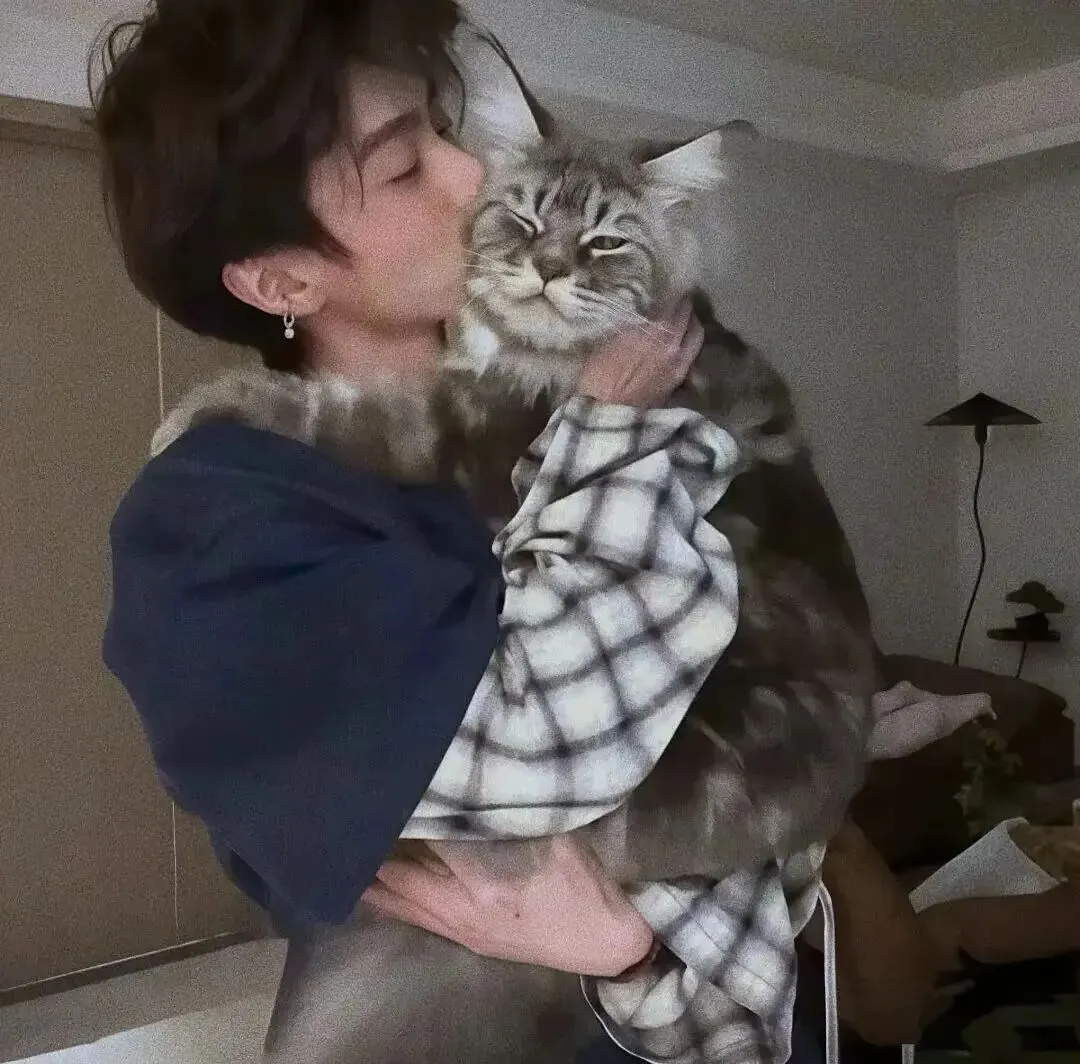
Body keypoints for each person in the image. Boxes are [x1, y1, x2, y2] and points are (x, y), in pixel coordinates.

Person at [91, 1, 744, 1061]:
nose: (475, 173)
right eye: (404, 166)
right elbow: (544, 748)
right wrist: (615, 433)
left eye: (446, 130)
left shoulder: (561, 408)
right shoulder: (214, 523)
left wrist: (635, 958)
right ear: (283, 279)